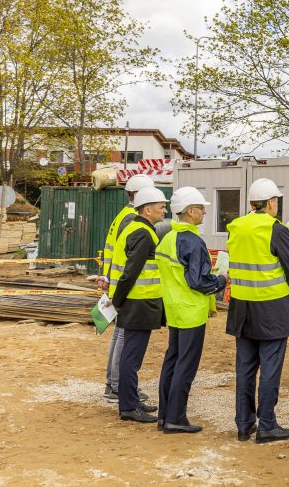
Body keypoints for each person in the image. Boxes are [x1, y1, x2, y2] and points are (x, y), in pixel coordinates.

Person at [226, 177, 289, 443]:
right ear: (271, 202)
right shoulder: (276, 228)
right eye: (276, 202)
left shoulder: (235, 226)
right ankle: (267, 425)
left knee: (245, 368)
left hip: (241, 308)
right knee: (270, 368)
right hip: (270, 309)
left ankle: (243, 424)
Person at [155, 187, 226, 434]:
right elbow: (198, 281)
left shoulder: (168, 238)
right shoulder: (193, 242)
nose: (204, 212)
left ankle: (165, 416)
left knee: (172, 362)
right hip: (191, 311)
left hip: (174, 309)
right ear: (191, 211)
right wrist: (220, 281)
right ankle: (176, 418)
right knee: (186, 365)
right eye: (201, 208)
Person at [109, 186, 167, 423]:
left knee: (131, 357)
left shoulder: (136, 228)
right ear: (147, 209)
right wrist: (118, 301)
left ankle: (131, 401)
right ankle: (129, 407)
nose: (165, 210)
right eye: (161, 206)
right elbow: (131, 272)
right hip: (138, 303)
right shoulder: (143, 233)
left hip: (136, 302)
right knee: (131, 358)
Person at [100, 173, 155, 403]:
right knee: (123, 337)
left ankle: (113, 384)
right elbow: (129, 258)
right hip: (126, 286)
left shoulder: (123, 215)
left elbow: (112, 249)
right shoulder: (132, 218)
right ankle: (117, 386)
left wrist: (106, 277)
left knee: (119, 335)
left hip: (117, 283)